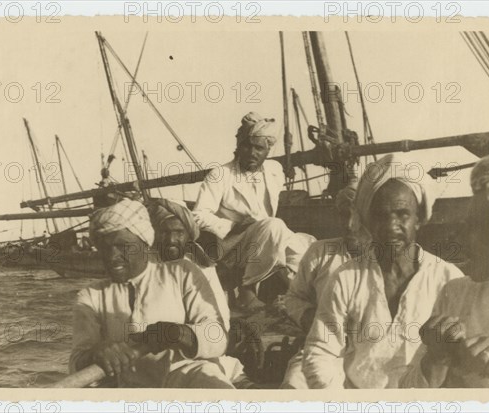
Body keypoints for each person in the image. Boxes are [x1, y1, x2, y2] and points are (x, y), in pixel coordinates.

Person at [302, 154, 464, 389]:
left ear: (419, 219)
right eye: (380, 215)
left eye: (402, 214)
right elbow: (321, 350)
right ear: (367, 220)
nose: (391, 226)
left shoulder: (449, 280)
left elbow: (461, 359)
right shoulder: (346, 278)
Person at [69, 198, 234, 388]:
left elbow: (217, 337)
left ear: (145, 244)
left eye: (123, 246)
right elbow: (76, 361)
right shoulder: (90, 296)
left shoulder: (183, 273)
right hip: (126, 390)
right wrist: (96, 353)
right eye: (105, 248)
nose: (113, 257)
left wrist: (180, 333)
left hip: (183, 380)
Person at [192, 111, 315, 311]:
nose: (252, 153)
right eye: (246, 146)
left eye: (258, 148)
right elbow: (198, 215)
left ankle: (299, 297)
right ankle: (247, 292)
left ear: (267, 150)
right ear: (238, 146)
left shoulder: (274, 170)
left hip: (268, 240)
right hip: (234, 245)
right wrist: (234, 225)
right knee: (274, 226)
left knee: (307, 248)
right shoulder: (221, 175)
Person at [400, 154, 489, 388]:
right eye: (466, 226)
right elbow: (407, 393)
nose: (462, 240)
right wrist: (434, 360)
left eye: (480, 227)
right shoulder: (455, 293)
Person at [148, 198, 264, 383]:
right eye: (164, 232)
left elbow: (219, 320)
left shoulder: (202, 266)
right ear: (154, 233)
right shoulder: (145, 268)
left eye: (178, 232)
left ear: (188, 234)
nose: (171, 239)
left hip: (199, 352)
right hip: (154, 356)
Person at [280, 183, 361, 388]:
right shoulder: (320, 252)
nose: (350, 224)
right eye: (344, 215)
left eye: (357, 216)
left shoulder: (387, 258)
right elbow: (294, 297)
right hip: (323, 350)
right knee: (293, 389)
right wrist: (309, 319)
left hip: (370, 353)